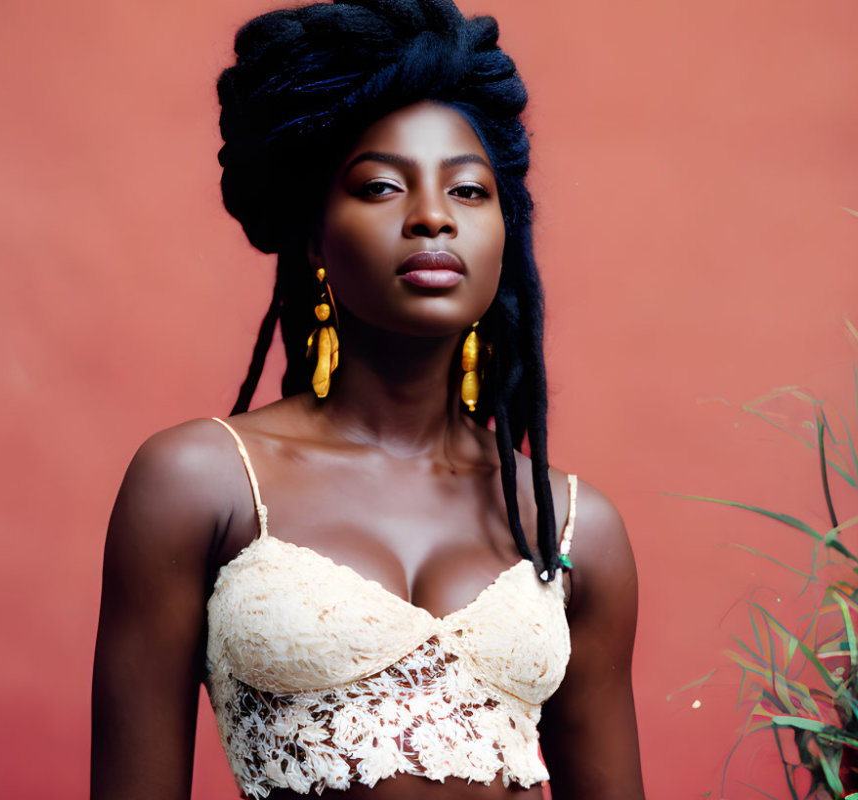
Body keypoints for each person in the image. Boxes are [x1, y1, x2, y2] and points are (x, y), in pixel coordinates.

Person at [91, 1, 644, 798]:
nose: (432, 218)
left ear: (504, 232)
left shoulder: (571, 527)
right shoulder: (198, 482)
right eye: (381, 187)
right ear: (314, 234)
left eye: (469, 191)